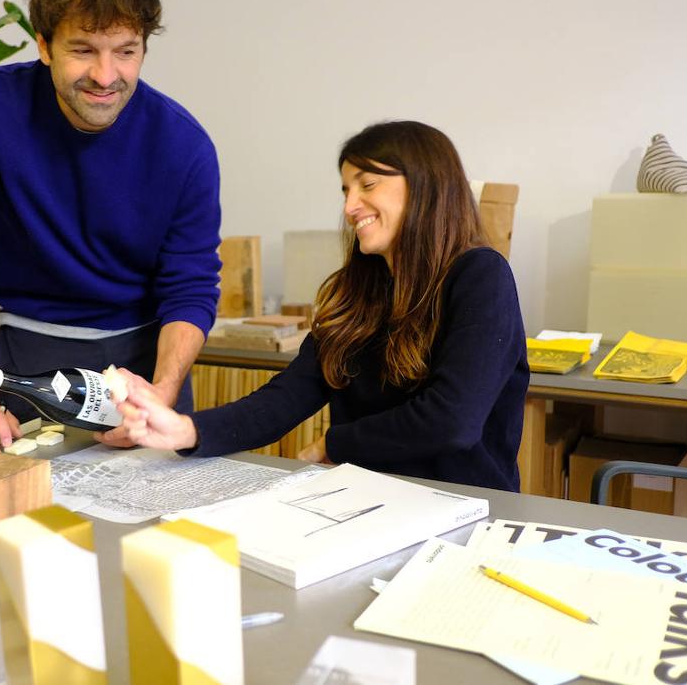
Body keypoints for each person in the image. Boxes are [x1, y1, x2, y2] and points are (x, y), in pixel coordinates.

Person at [0, 0, 221, 453]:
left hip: (144, 366)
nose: (105, 75)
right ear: (44, 45)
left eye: (126, 51)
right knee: (19, 520)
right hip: (25, 360)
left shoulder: (184, 146)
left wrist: (157, 398)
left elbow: (191, 286)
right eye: (83, 50)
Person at [101, 121, 529, 491]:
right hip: (367, 502)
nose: (349, 207)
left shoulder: (480, 277)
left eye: (368, 184)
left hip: (465, 512)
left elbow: (451, 421)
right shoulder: (358, 292)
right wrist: (184, 429)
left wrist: (334, 443)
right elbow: (287, 397)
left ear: (425, 185)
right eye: (346, 190)